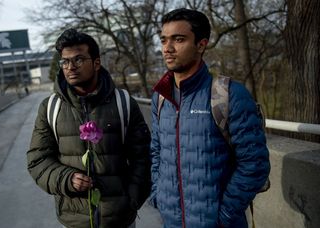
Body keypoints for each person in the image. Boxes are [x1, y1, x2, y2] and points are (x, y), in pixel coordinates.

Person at [149, 8, 270, 228]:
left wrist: (223, 215)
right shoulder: (160, 97)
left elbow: (255, 164)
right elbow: (157, 151)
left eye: (179, 39)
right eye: (164, 40)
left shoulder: (228, 94)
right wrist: (158, 194)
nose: (167, 48)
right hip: (170, 221)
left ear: (201, 45)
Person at [27, 28, 151, 228]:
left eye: (78, 59)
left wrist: (132, 200)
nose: (70, 67)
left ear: (96, 63)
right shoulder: (50, 108)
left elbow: (143, 157)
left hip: (120, 219)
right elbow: (37, 160)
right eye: (65, 61)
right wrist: (67, 179)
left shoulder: (124, 102)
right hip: (75, 220)